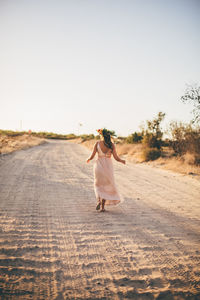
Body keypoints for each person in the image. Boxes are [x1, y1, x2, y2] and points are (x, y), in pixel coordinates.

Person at [86, 128, 126, 212]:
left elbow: (92, 156)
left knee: (98, 185)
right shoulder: (111, 145)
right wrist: (122, 161)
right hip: (108, 167)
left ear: (101, 135)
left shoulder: (97, 143)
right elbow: (116, 158)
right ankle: (103, 207)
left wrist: (88, 159)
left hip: (98, 166)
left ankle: (98, 201)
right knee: (106, 186)